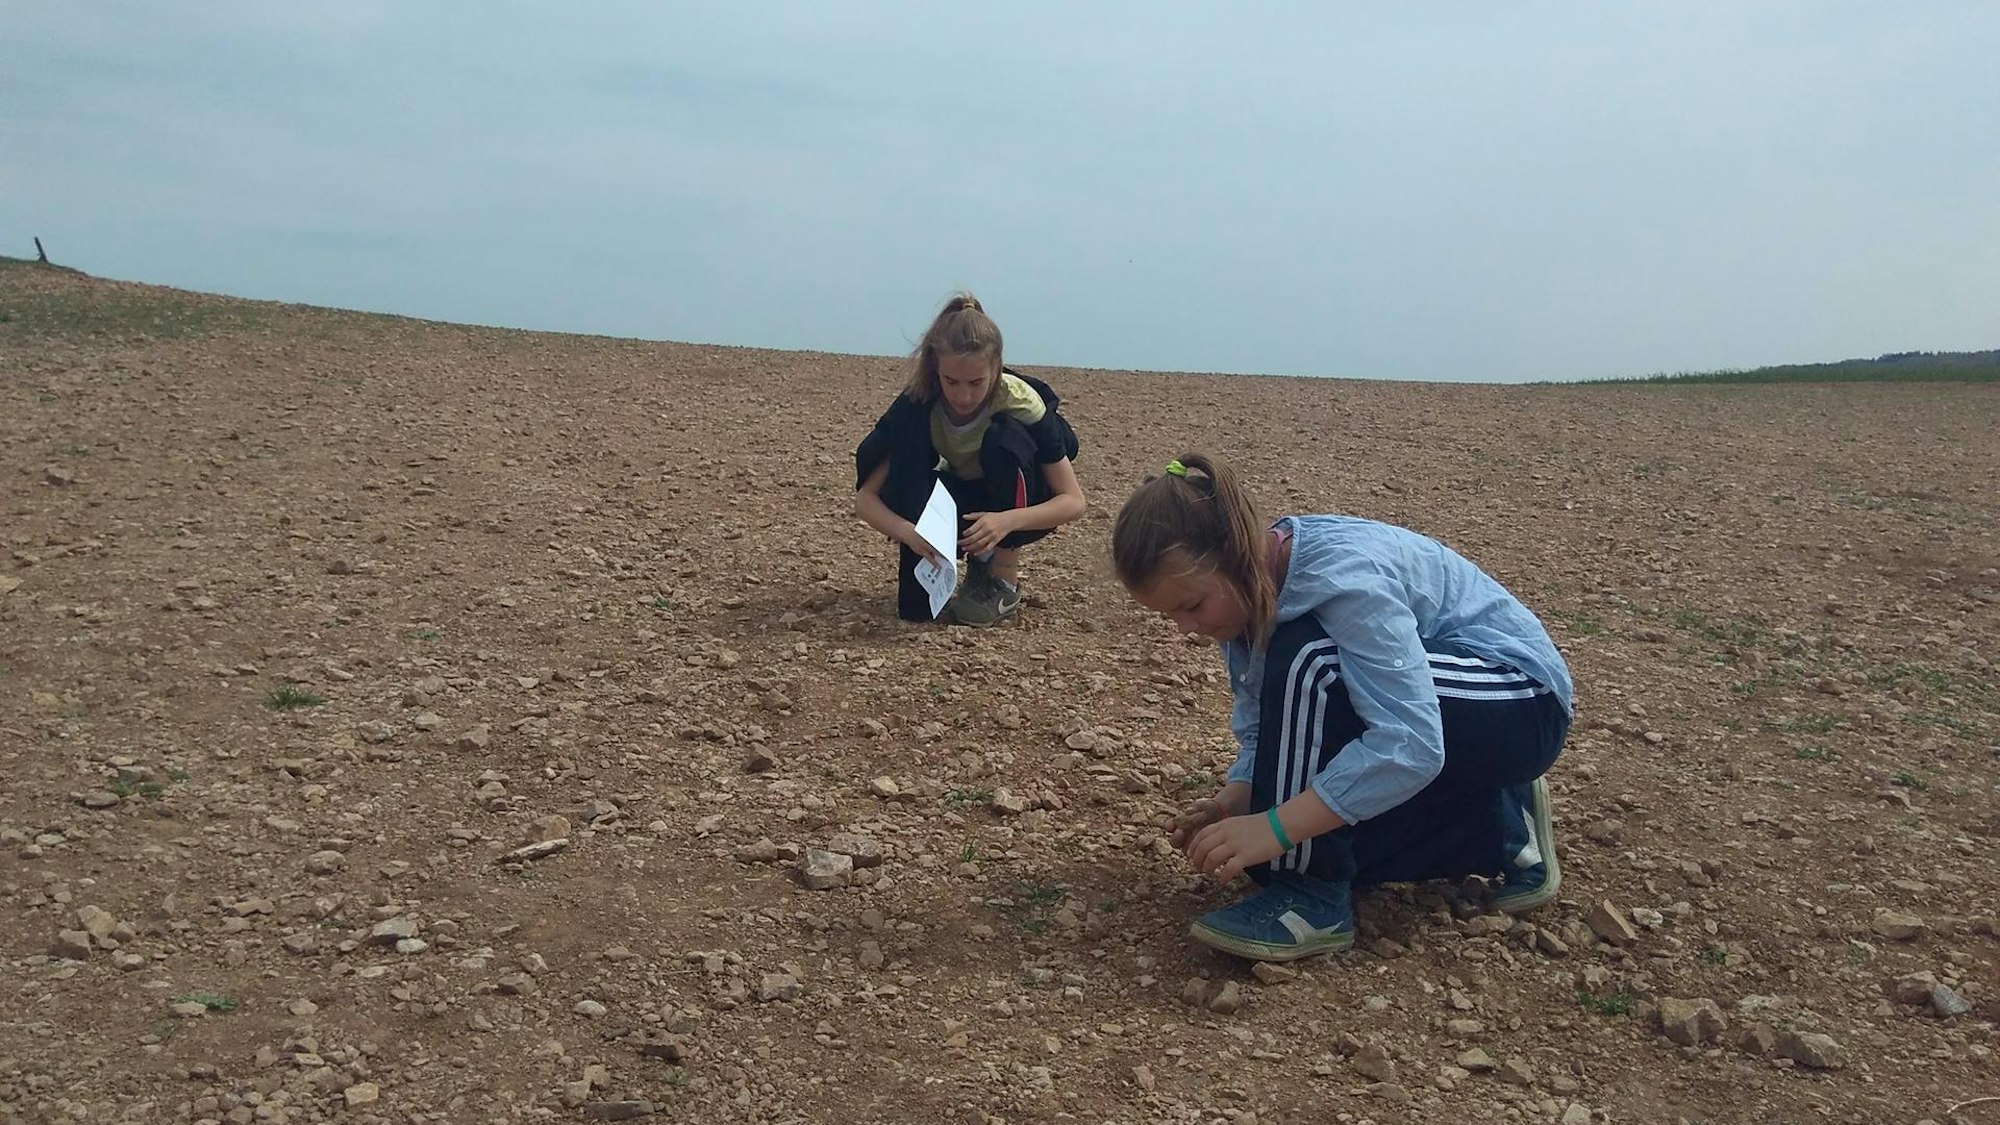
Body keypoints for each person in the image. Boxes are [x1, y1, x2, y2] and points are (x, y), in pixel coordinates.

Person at [1112, 453, 1573, 961]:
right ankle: (1500, 822)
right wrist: (1236, 801)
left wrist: (1275, 827)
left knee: (1312, 663)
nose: (1185, 628)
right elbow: (1270, 722)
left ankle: (1310, 895)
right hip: (1447, 721)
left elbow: (1411, 741)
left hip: (1520, 700)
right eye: (1170, 615)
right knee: (1276, 850)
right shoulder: (1246, 592)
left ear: (1234, 553)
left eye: (1191, 606)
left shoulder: (1342, 577)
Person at [854, 293, 1085, 625]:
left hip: (1017, 503)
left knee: (1003, 440)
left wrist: (1005, 522)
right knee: (915, 613)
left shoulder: (1020, 402)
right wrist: (908, 532)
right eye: (951, 382)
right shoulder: (917, 404)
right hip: (959, 498)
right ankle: (952, 570)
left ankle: (1001, 578)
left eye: (977, 383)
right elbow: (867, 499)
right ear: (935, 370)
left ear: (996, 368)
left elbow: (1073, 501)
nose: (964, 397)